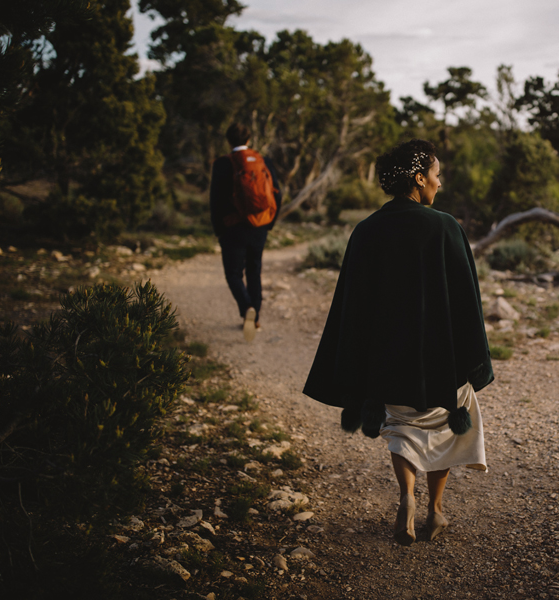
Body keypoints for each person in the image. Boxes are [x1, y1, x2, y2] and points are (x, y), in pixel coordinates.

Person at [303, 139, 494, 546]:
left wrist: (359, 366)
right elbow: (466, 300)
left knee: (402, 427)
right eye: (437, 175)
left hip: (387, 361)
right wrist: (473, 358)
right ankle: (435, 511)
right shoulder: (446, 227)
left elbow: (352, 305)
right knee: (444, 428)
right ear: (419, 177)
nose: (440, 184)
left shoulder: (366, 230)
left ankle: (406, 497)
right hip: (440, 356)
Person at [210, 123, 281, 341]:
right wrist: (269, 224)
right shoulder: (263, 161)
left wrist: (219, 229)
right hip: (259, 226)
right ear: (249, 140)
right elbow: (277, 194)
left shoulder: (222, 163)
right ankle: (255, 318)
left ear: (228, 141)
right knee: (254, 271)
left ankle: (247, 307)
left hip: (233, 227)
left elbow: (215, 200)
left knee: (233, 274)